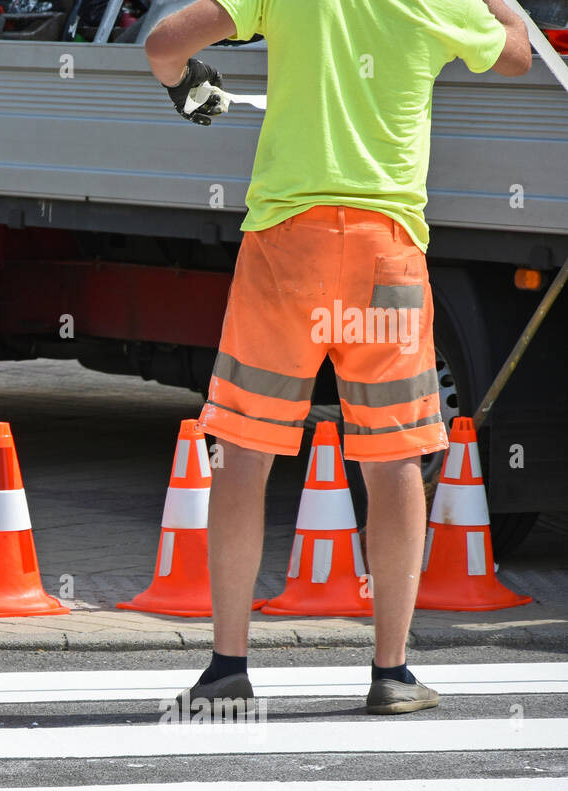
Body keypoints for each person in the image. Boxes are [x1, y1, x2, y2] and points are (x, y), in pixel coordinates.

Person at [144, 1, 531, 714]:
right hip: (386, 251)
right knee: (393, 460)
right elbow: (517, 53)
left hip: (284, 247)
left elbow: (162, 42)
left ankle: (227, 664)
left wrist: (187, 83)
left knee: (244, 450)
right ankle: (392, 672)